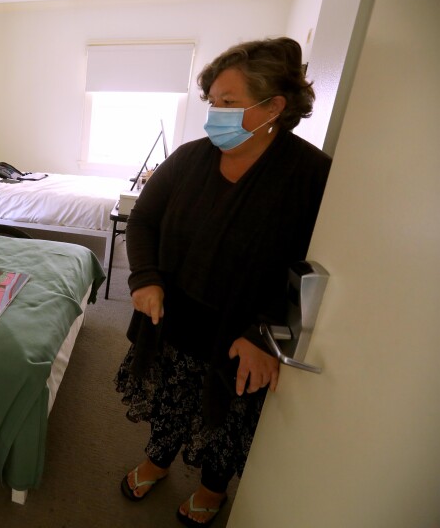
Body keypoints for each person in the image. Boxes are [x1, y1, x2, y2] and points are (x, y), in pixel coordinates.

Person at [115, 37, 330, 527]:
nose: (215, 113)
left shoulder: (310, 175)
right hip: (175, 313)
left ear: (274, 105)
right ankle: (157, 459)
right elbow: (144, 219)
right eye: (212, 101)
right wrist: (145, 279)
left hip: (244, 329)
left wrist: (263, 334)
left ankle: (213, 489)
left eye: (229, 103)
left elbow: (310, 270)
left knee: (229, 415)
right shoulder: (191, 158)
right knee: (172, 394)